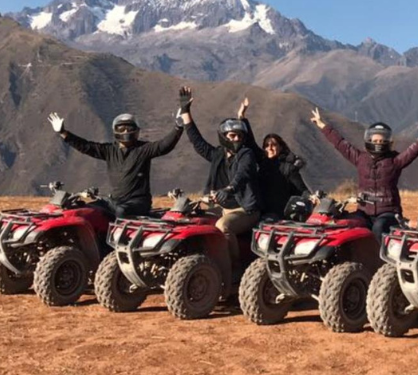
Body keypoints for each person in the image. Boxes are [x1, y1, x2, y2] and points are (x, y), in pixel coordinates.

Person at [310, 107, 418, 241]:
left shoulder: (395, 160)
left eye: (382, 140)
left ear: (388, 142)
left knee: (379, 229)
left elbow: (417, 146)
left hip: (388, 213)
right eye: (375, 140)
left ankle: (381, 263)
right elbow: (340, 143)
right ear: (369, 141)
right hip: (363, 212)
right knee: (344, 224)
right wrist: (322, 125)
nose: (378, 143)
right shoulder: (360, 158)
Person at [47, 105, 183, 218]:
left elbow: (164, 145)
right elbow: (86, 146)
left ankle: (118, 246)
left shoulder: (143, 149)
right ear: (115, 131)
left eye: (129, 128)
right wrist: (63, 133)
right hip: (114, 201)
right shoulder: (109, 150)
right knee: (85, 209)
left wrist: (178, 127)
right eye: (121, 128)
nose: (125, 131)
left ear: (136, 130)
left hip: (138, 203)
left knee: (121, 212)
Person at [179, 87, 262, 263]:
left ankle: (235, 266)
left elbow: (243, 174)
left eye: (239, 136)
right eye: (232, 135)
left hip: (245, 210)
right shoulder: (218, 155)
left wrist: (229, 189)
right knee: (191, 220)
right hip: (222, 207)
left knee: (223, 226)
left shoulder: (246, 154)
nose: (236, 139)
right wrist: (185, 112)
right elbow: (197, 141)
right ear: (224, 136)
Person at [235, 98, 311, 220]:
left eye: (273, 144)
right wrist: (242, 117)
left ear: (280, 147)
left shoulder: (289, 168)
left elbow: (302, 190)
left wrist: (312, 198)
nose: (269, 148)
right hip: (259, 211)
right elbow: (250, 142)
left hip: (279, 215)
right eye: (266, 145)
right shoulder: (262, 160)